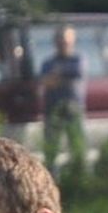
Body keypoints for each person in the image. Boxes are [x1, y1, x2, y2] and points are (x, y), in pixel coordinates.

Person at [38, 26, 87, 176]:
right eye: (60, 40)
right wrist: (60, 76)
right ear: (55, 42)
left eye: (66, 41)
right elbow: (45, 81)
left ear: (72, 41)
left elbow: (76, 72)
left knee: (77, 145)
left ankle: (79, 178)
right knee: (51, 147)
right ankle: (51, 178)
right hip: (53, 108)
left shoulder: (78, 59)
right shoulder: (48, 62)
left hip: (74, 107)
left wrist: (57, 75)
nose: (63, 44)